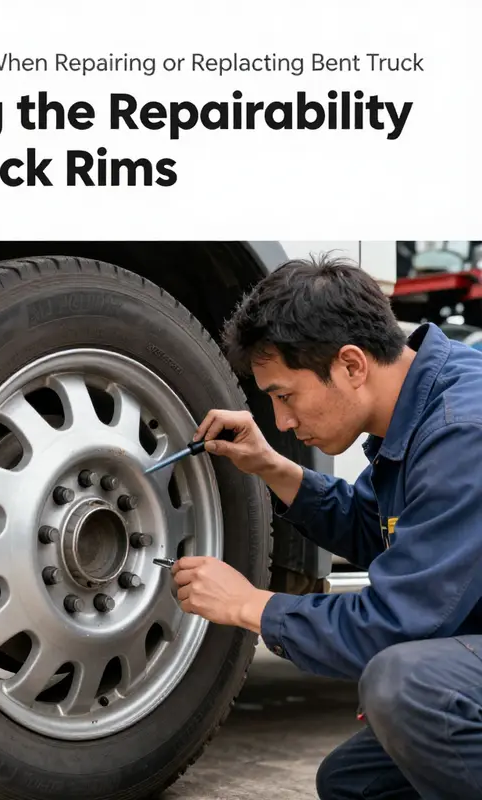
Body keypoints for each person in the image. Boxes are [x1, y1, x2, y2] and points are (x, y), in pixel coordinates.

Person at [172, 254, 482, 800]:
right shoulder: (421, 402)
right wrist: (273, 466)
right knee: (354, 785)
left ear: (352, 365)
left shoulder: (463, 430)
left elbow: (397, 624)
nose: (284, 422)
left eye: (284, 396)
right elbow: (379, 529)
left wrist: (251, 605)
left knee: (407, 685)